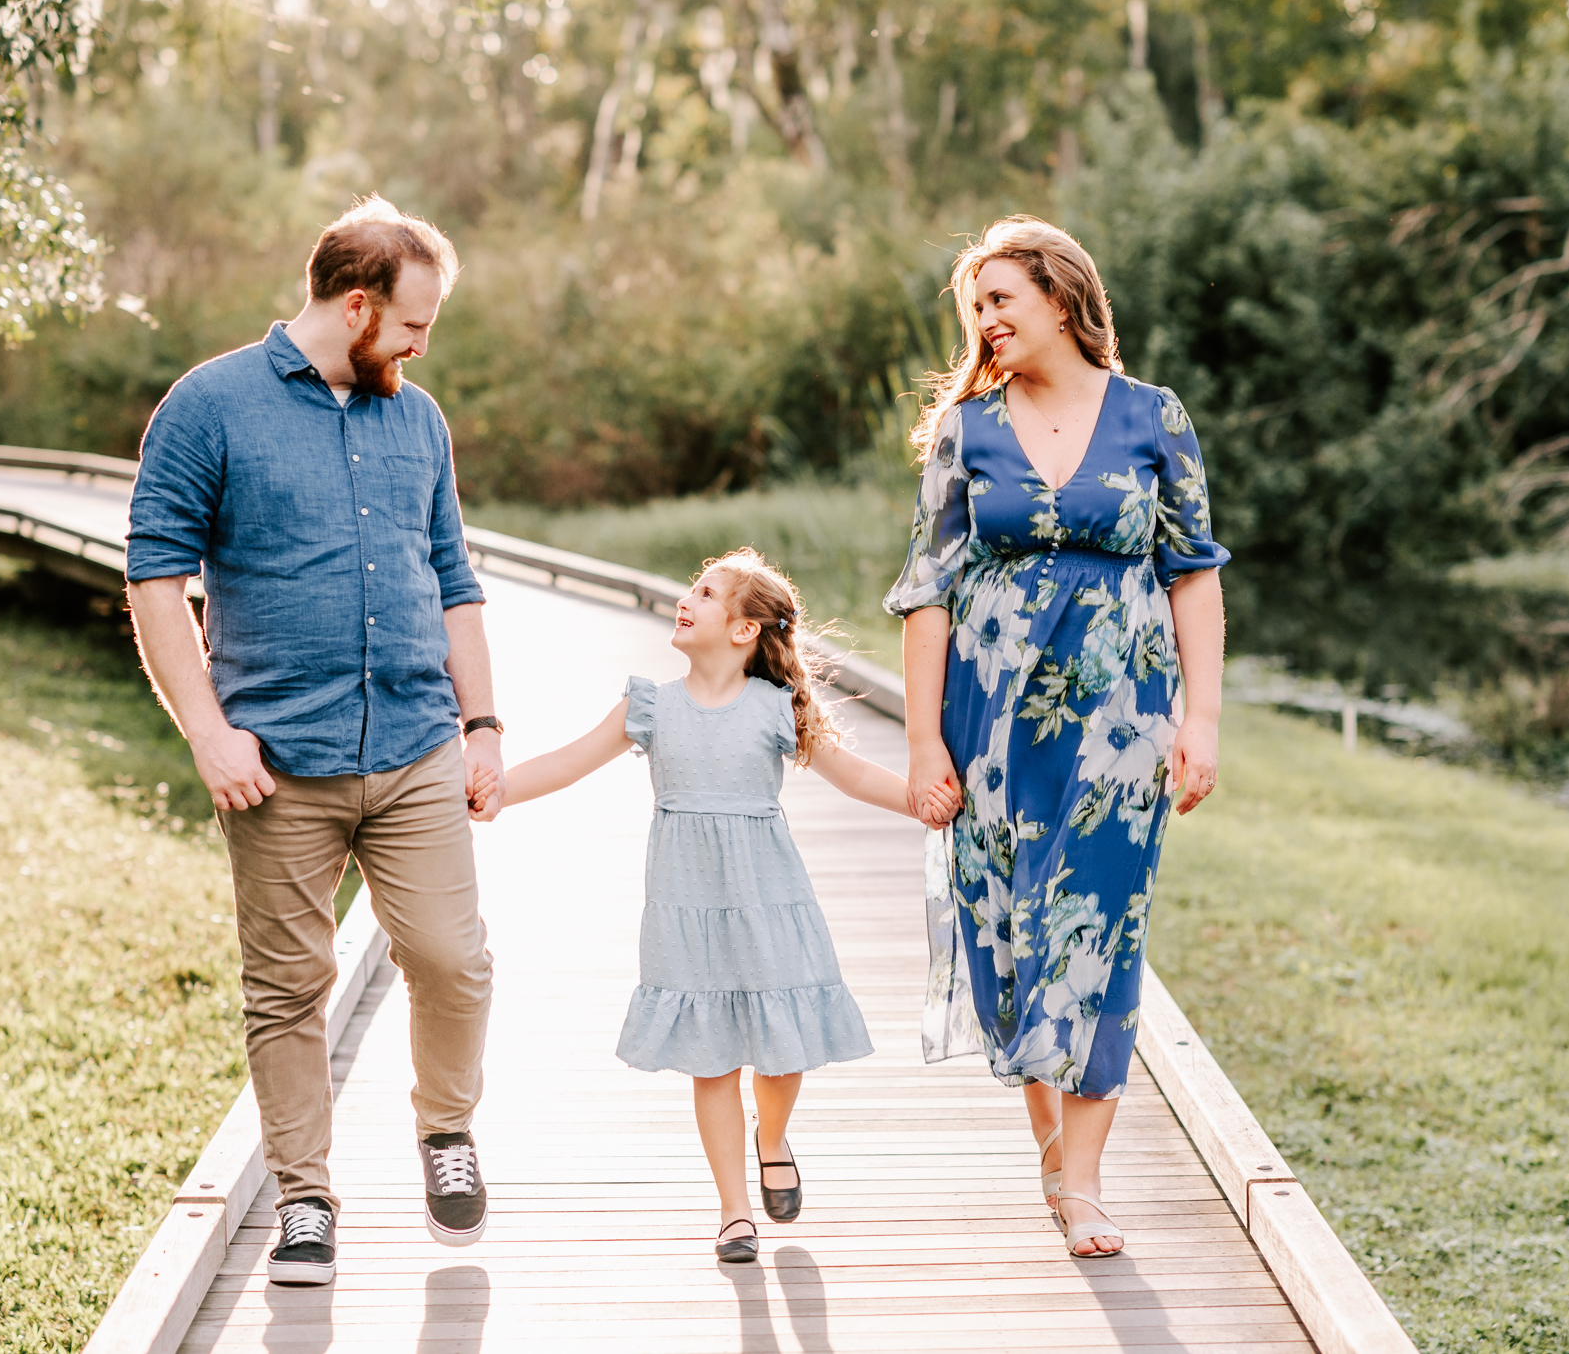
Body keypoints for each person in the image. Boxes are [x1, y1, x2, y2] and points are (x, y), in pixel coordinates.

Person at [125, 196, 506, 1286]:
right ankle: (303, 1195)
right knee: (288, 987)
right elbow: (156, 579)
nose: (424, 344)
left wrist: (481, 727)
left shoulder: (415, 418)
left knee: (452, 958)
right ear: (354, 305)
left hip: (417, 743)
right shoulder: (209, 407)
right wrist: (207, 735)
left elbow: (455, 583)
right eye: (414, 323)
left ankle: (445, 1130)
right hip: (276, 762)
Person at [885, 217, 1229, 1259]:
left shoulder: (1149, 417)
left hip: (1121, 718)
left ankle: (1080, 1182)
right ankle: (1049, 1144)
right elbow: (926, 593)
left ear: (1061, 297)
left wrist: (1199, 718)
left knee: (1095, 928)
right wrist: (919, 744)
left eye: (1000, 299)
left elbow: (1193, 573)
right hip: (985, 723)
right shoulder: (966, 431)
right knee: (1009, 935)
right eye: (973, 307)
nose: (984, 321)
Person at [494, 549, 959, 1262]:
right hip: (686, 900)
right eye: (692, 588)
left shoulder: (776, 708)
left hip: (768, 896)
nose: (688, 599)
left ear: (744, 629)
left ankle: (771, 1136)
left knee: (782, 1049)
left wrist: (919, 799)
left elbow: (852, 774)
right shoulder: (650, 704)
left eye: (706, 594)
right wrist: (497, 789)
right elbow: (568, 759)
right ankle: (733, 1209)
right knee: (710, 1059)